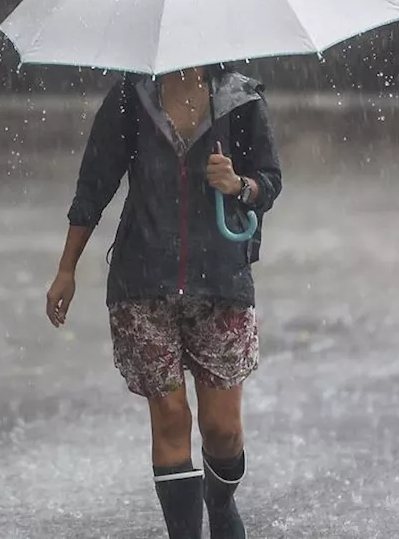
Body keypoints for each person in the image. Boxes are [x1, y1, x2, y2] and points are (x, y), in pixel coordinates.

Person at [46, 64, 281, 539]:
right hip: (143, 280)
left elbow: (270, 180)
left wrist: (239, 185)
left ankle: (220, 500)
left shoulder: (240, 100)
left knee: (223, 430)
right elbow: (95, 183)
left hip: (220, 280)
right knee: (170, 418)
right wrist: (67, 267)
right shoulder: (131, 99)